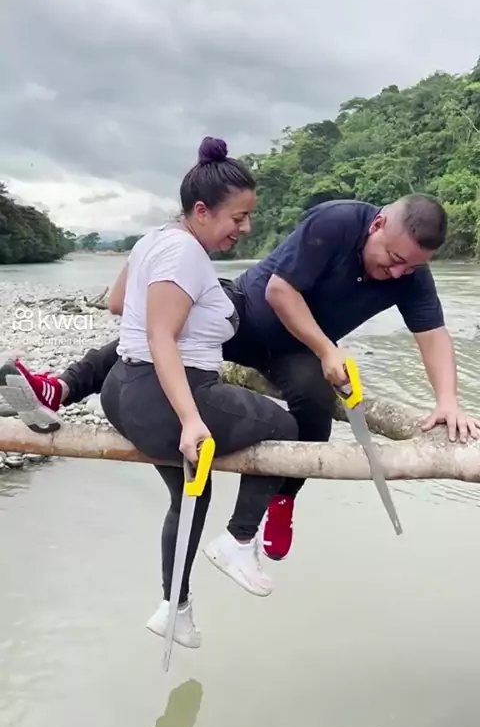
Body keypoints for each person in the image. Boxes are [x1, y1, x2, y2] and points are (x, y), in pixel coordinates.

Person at [2, 193, 478, 562]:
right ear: (377, 225)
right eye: (393, 257)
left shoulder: (411, 274)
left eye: (410, 266)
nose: (397, 271)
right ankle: (60, 388)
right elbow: (280, 292)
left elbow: (433, 334)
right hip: (246, 312)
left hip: (293, 350)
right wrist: (328, 349)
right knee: (164, 330)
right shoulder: (337, 222)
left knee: (314, 404)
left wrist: (448, 400)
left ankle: (282, 501)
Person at [1, 136, 300, 650]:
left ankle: (174, 608)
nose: (246, 228)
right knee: (285, 425)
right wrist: (190, 419)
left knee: (192, 494)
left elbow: (120, 304)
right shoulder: (185, 253)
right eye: (239, 217)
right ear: (202, 211)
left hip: (122, 393)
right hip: (167, 401)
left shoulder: (154, 241)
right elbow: (162, 335)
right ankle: (239, 539)